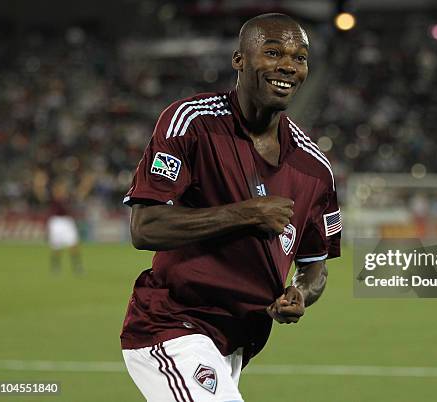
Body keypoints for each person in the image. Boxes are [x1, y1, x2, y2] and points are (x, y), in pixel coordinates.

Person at [121, 13, 342, 402]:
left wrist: (301, 294)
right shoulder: (191, 123)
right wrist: (248, 213)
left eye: (300, 57)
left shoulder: (315, 169)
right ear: (239, 60)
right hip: (173, 325)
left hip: (238, 342)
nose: (288, 66)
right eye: (273, 52)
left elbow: (314, 265)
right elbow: (145, 227)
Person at [47, 180, 84, 275]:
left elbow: (81, 194)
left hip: (67, 222)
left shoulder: (68, 198)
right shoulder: (54, 198)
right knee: (56, 247)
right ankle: (56, 266)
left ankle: (77, 266)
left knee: (73, 245)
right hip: (57, 222)